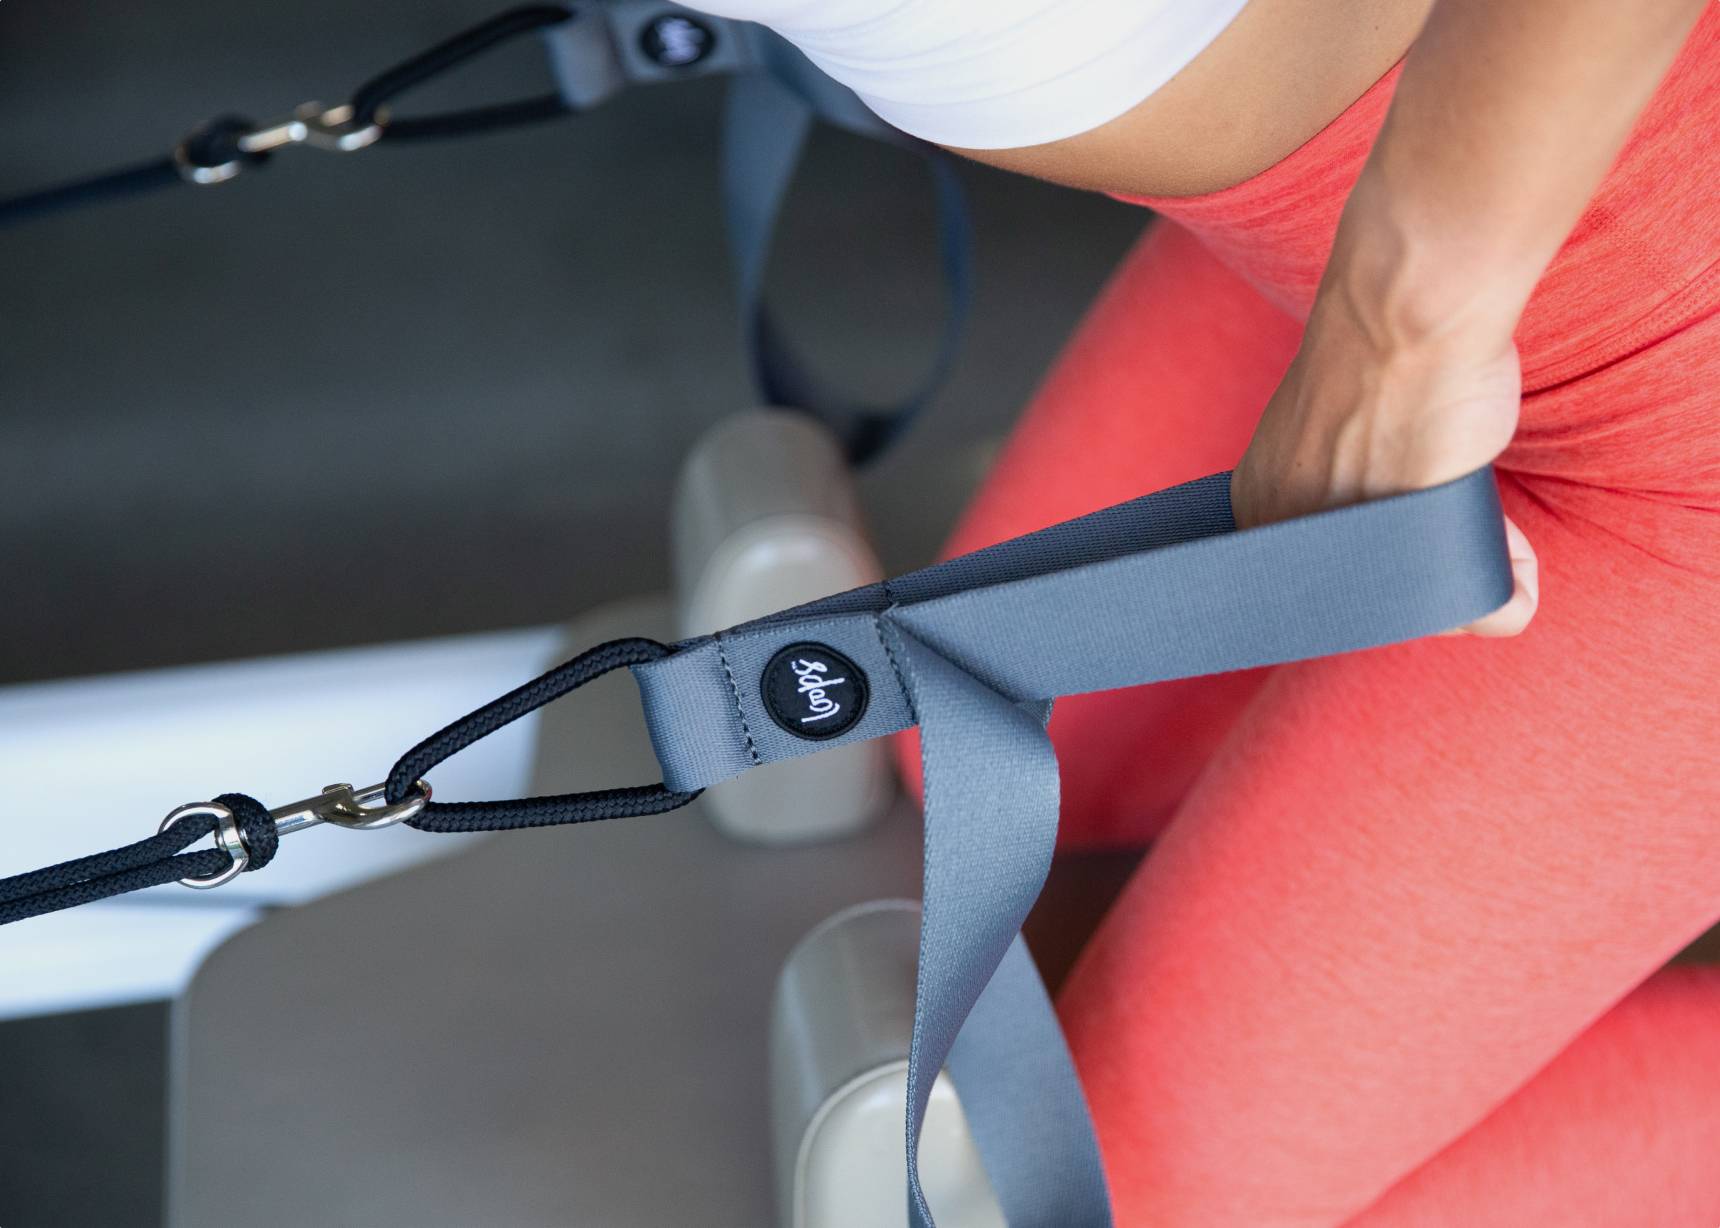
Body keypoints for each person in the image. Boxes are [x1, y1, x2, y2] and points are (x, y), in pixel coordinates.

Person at [689, 2, 1720, 1222]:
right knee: (979, 737)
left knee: (1120, 1200)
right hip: (1371, 174)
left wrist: (1397, 333)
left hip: (1640, 380)